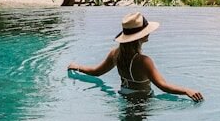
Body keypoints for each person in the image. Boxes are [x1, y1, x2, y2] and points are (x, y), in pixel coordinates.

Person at [67, 12, 204, 102]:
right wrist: (187, 90)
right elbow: (163, 86)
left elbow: (96, 72)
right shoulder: (144, 61)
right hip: (142, 103)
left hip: (123, 98)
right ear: (141, 36)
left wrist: (78, 67)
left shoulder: (115, 54)